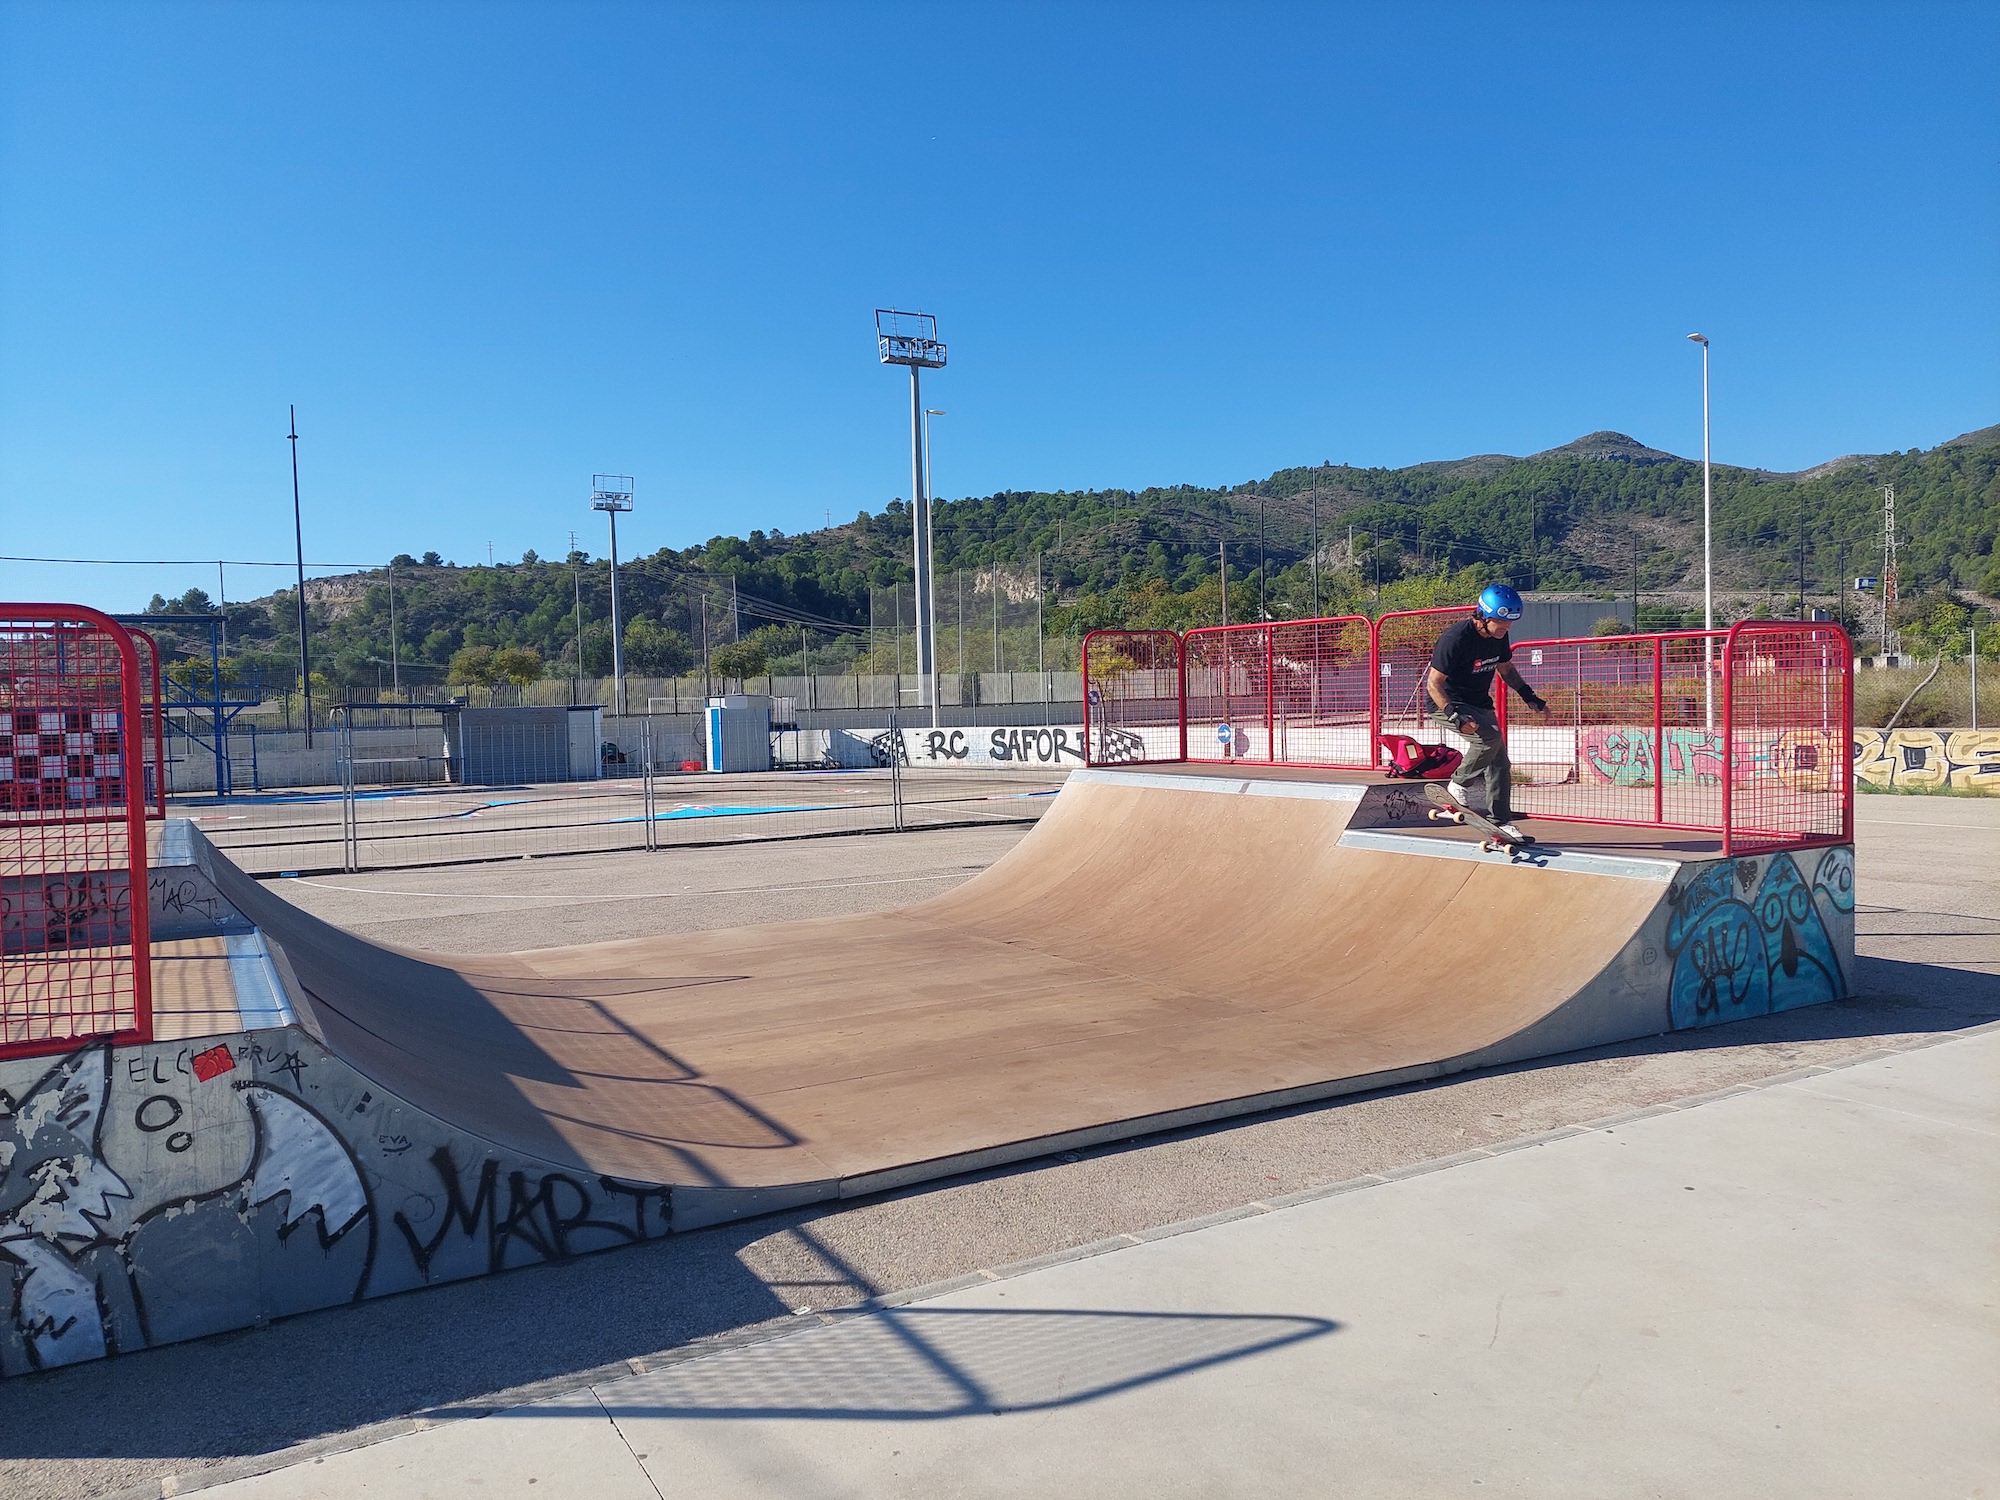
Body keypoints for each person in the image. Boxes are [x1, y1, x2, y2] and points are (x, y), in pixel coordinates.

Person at [1426, 584, 1547, 844]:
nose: (1507, 629)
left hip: (1479, 703)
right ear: (1483, 616)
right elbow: (1433, 683)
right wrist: (1453, 714)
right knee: (1488, 739)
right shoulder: (1455, 639)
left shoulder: (1498, 636)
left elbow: (1506, 670)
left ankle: (1500, 822)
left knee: (1500, 762)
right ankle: (1458, 785)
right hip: (1447, 702)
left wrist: (1530, 696)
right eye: (1502, 623)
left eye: (1510, 624)